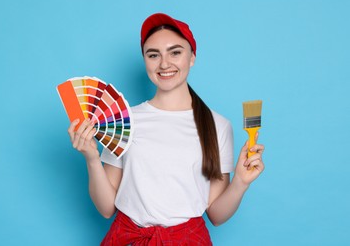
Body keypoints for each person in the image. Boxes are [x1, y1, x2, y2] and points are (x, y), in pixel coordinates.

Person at [67, 13, 265, 245]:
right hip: (128, 239)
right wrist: (92, 159)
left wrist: (240, 182)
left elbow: (217, 215)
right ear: (145, 60)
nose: (164, 63)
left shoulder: (217, 126)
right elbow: (106, 208)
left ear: (192, 57)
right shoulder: (123, 120)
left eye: (175, 52)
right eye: (153, 55)